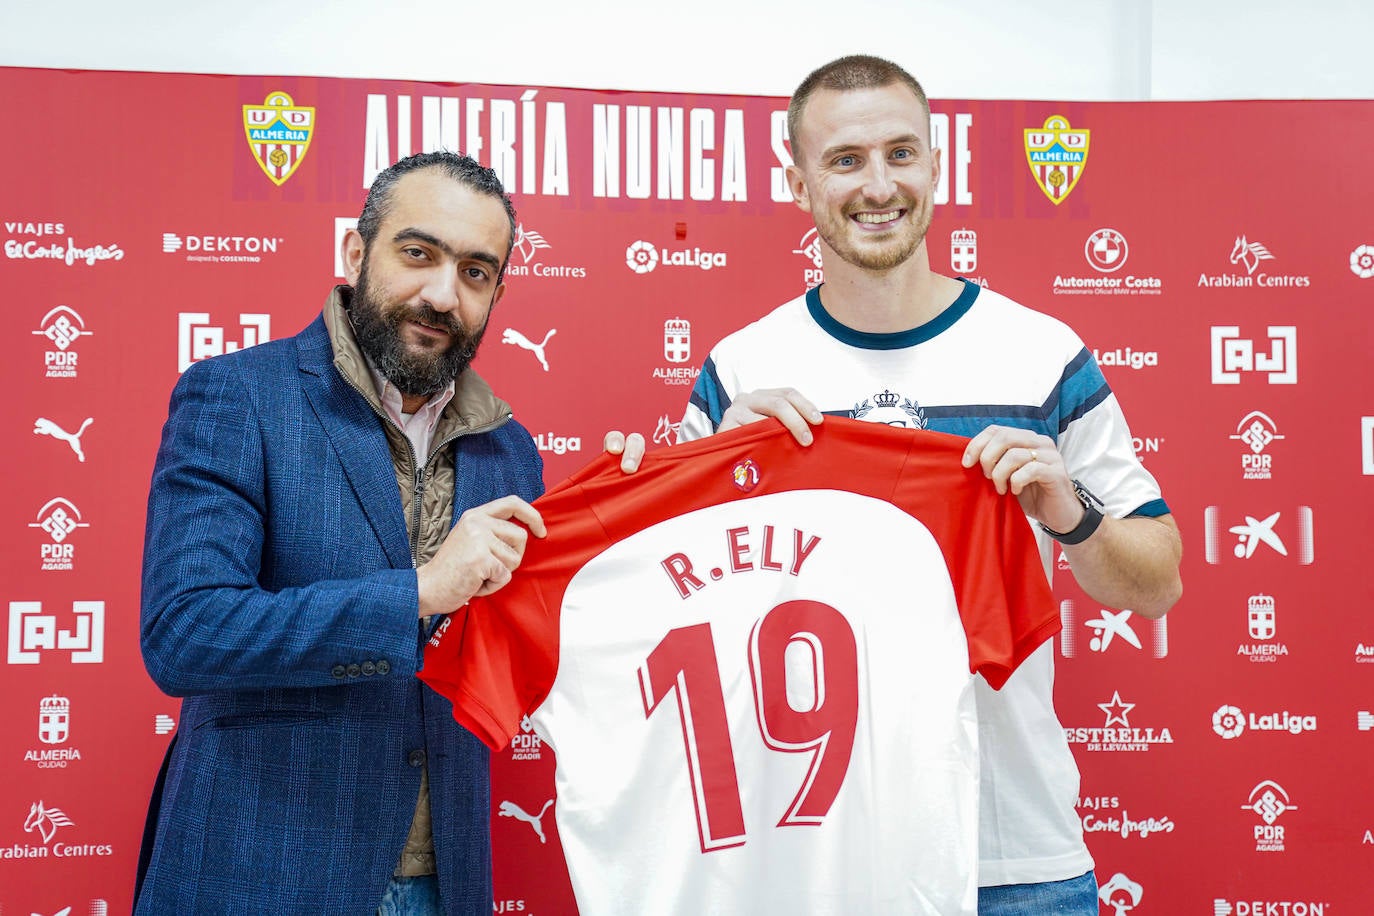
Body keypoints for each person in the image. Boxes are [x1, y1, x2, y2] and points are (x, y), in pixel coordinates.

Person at [607, 54, 1183, 915]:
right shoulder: (742, 370)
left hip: (1012, 864)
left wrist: (1070, 514)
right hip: (806, 866)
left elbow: (1160, 581)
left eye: (900, 154)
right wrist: (700, 486)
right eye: (845, 161)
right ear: (798, 184)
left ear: (936, 163)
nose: (878, 185)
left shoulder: (1040, 354)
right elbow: (656, 616)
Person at [136, 151, 546, 916]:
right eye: (417, 253)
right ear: (356, 253)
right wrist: (419, 594)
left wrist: (720, 469)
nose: (441, 293)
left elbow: (542, 649)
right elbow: (184, 631)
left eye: (476, 272)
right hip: (260, 874)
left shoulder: (510, 450)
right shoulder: (237, 397)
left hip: (445, 882)